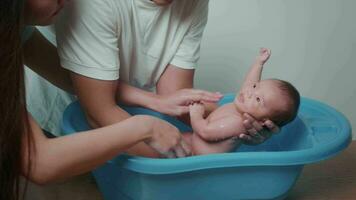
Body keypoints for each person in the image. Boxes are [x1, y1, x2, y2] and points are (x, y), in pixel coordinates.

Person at [0, 1, 191, 200]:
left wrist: (153, 100)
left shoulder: (16, 29)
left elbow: (69, 77)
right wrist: (144, 128)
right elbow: (39, 161)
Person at [54, 0, 279, 157]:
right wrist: (180, 159)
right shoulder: (93, 3)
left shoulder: (194, 3)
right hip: (67, 120)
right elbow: (98, 113)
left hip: (126, 109)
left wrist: (244, 121)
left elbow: (173, 94)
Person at [183, 48, 300, 155]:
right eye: (255, 86)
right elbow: (249, 84)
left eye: (258, 99)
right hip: (194, 143)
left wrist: (196, 114)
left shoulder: (238, 122)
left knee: (174, 150)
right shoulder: (243, 105)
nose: (249, 92)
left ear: (264, 121)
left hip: (199, 158)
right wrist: (258, 64)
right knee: (176, 138)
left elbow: (205, 132)